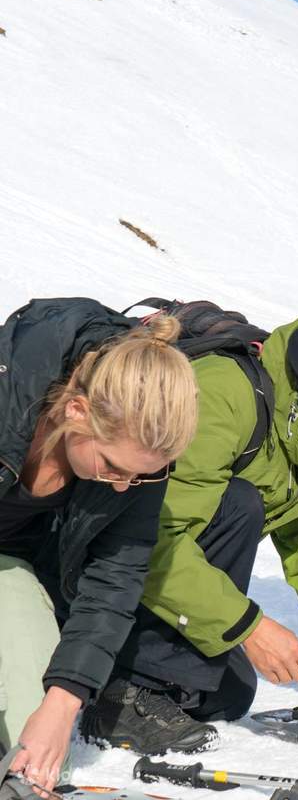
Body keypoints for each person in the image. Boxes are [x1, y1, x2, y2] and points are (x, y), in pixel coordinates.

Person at [80, 314, 298, 752]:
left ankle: (140, 671)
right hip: (93, 557)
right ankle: (120, 695)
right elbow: (154, 536)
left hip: (150, 574)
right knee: (240, 503)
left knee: (227, 695)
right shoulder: (225, 396)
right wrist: (249, 628)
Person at [0, 298, 199, 796]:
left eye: (142, 475)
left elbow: (115, 578)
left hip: (15, 576)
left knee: (41, 754)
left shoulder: (135, 467)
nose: (122, 485)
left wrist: (64, 700)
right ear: (76, 412)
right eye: (113, 465)